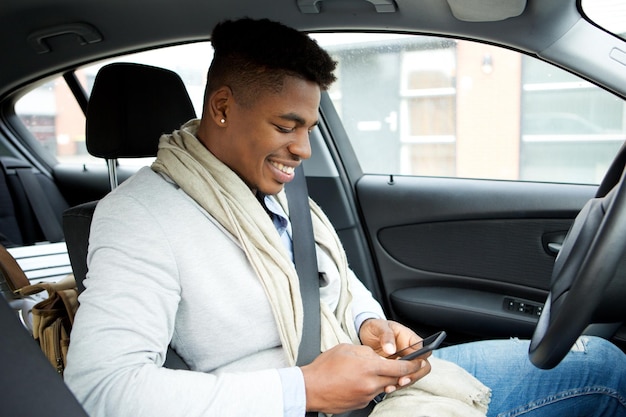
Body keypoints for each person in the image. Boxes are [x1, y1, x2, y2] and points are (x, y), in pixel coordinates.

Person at [64, 18, 626, 417]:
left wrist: (366, 325)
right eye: (286, 126)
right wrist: (304, 391)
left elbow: (336, 286)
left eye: (308, 128)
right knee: (601, 376)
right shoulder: (138, 218)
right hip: (300, 406)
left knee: (601, 359)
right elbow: (101, 390)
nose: (303, 150)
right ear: (222, 108)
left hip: (365, 387)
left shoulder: (270, 186)